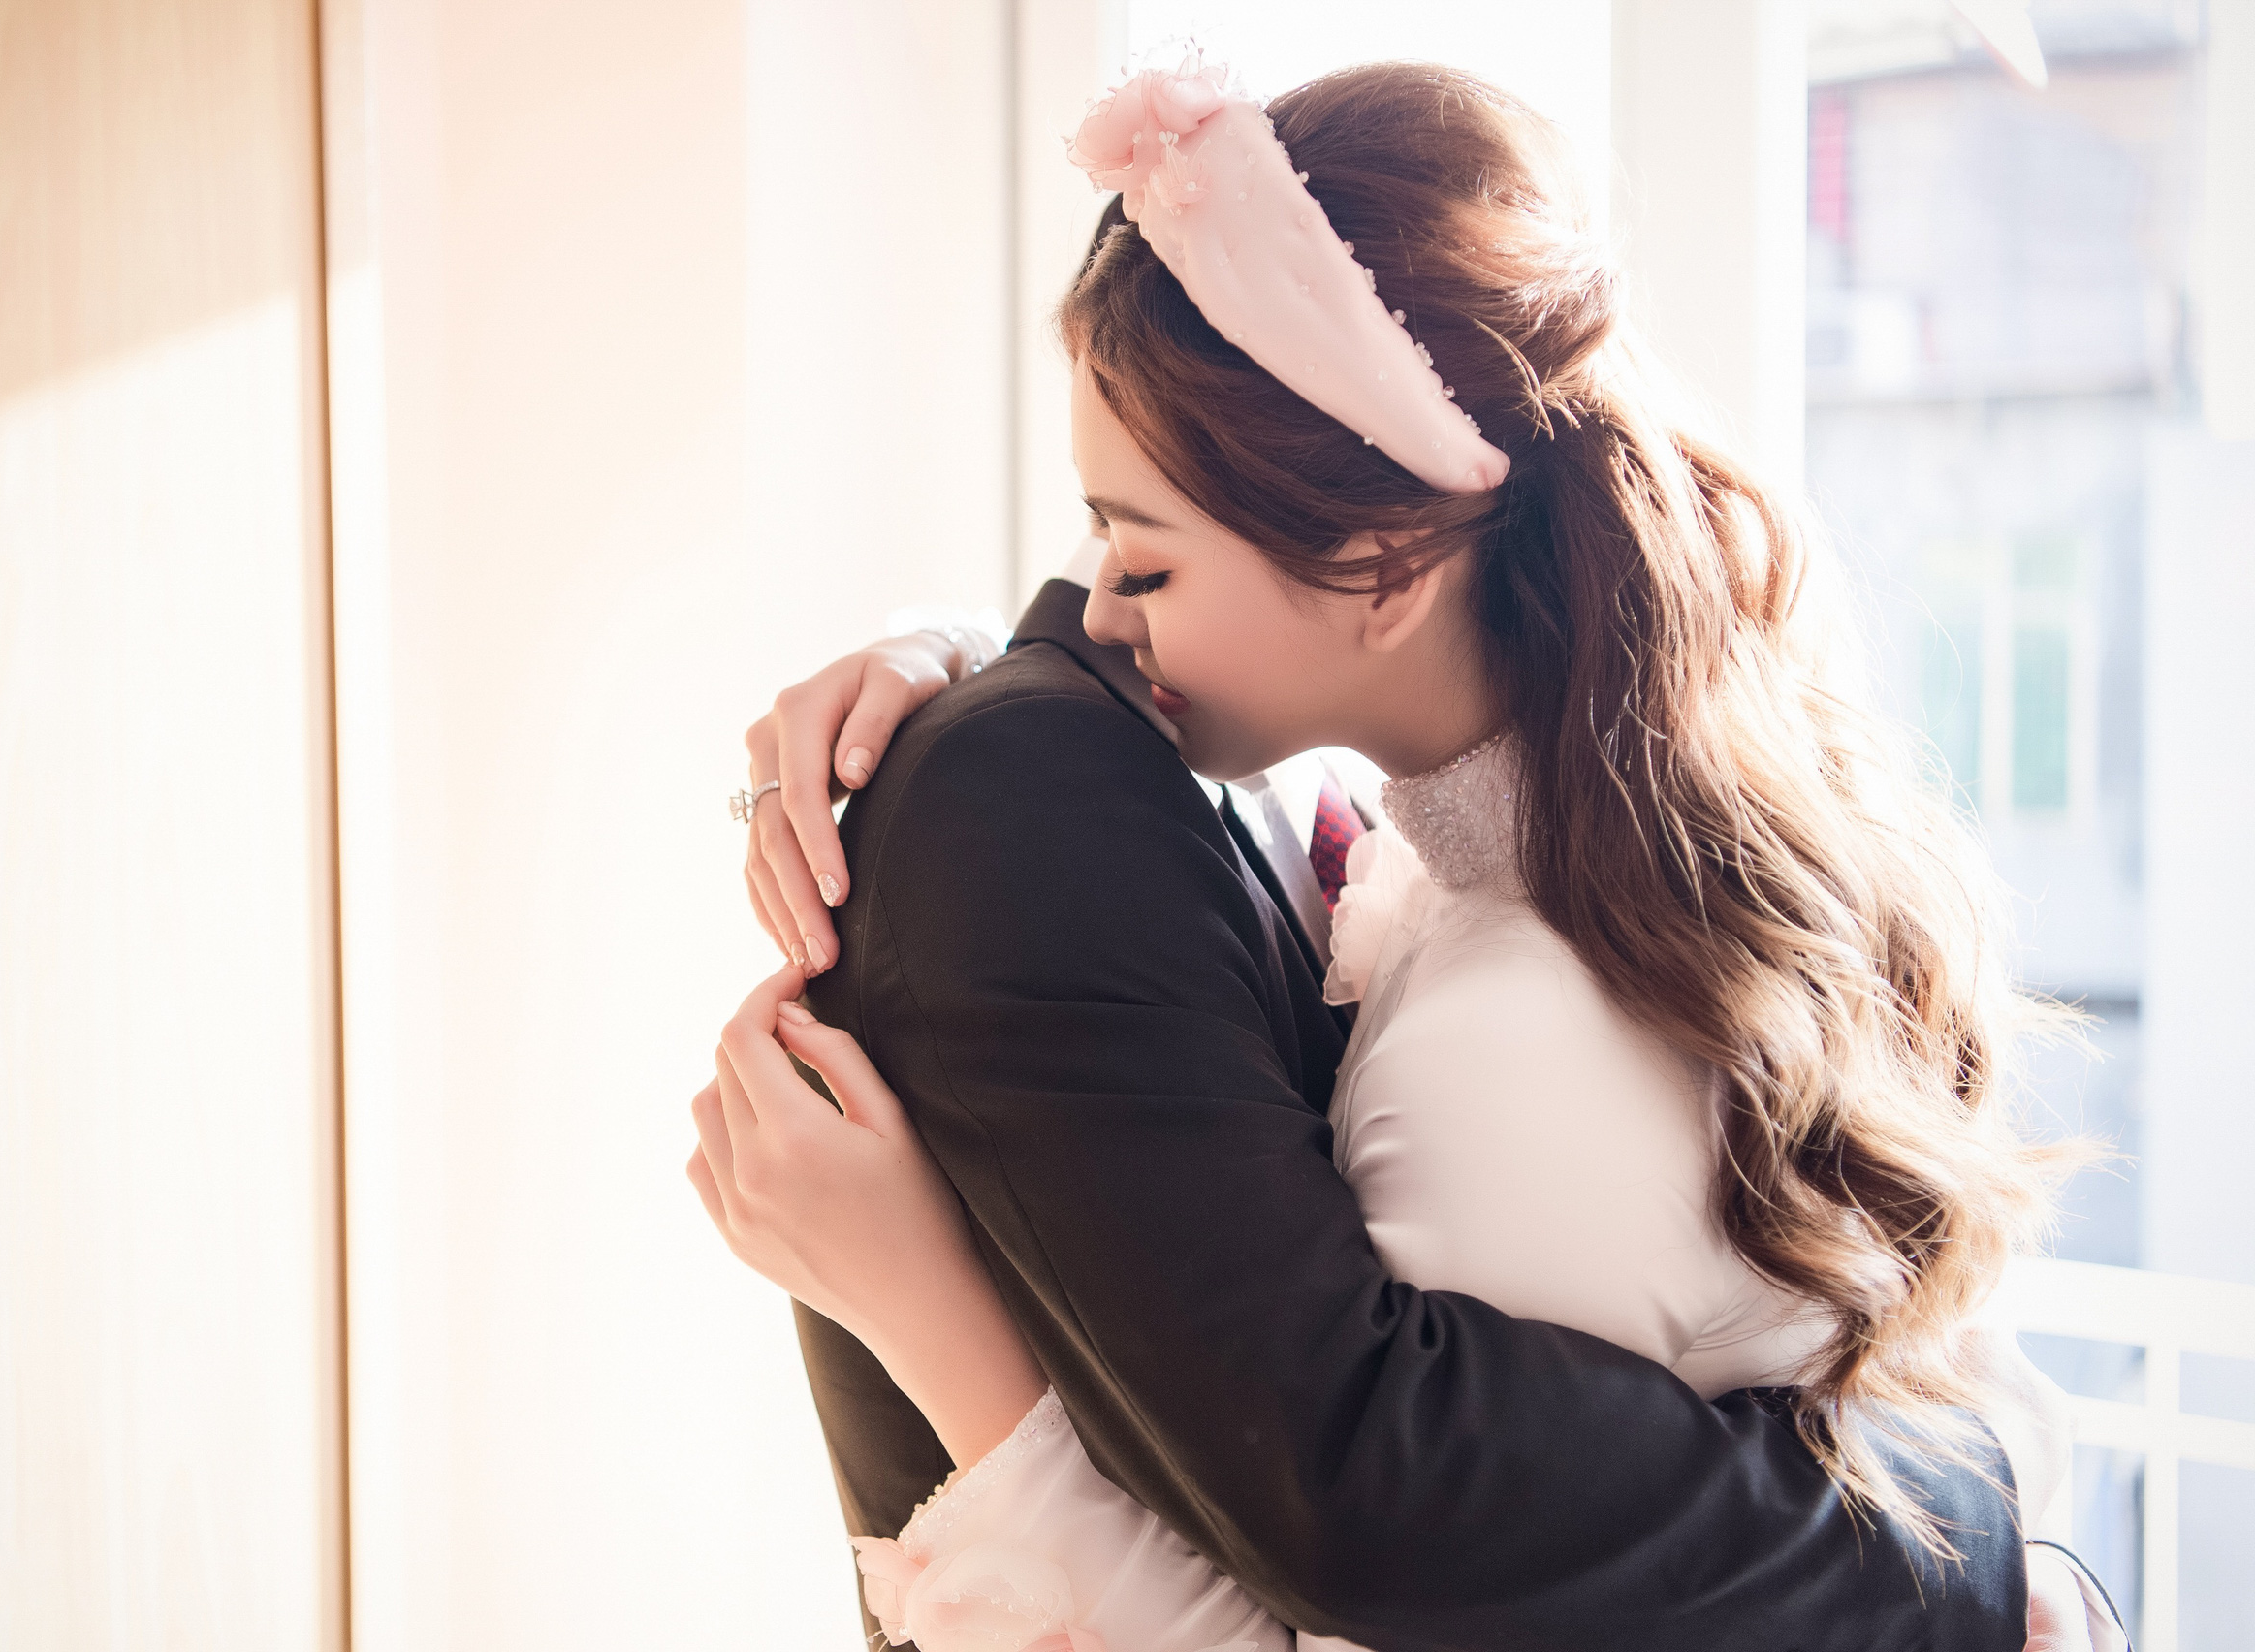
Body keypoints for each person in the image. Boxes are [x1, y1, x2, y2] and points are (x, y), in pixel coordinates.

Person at [691, 58, 2121, 1652]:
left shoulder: (1512, 1050)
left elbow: (1335, 1596)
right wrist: (958, 656)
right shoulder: (1645, 853)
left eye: (1140, 556)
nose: (1098, 608)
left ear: (1379, 562)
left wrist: (923, 1309)